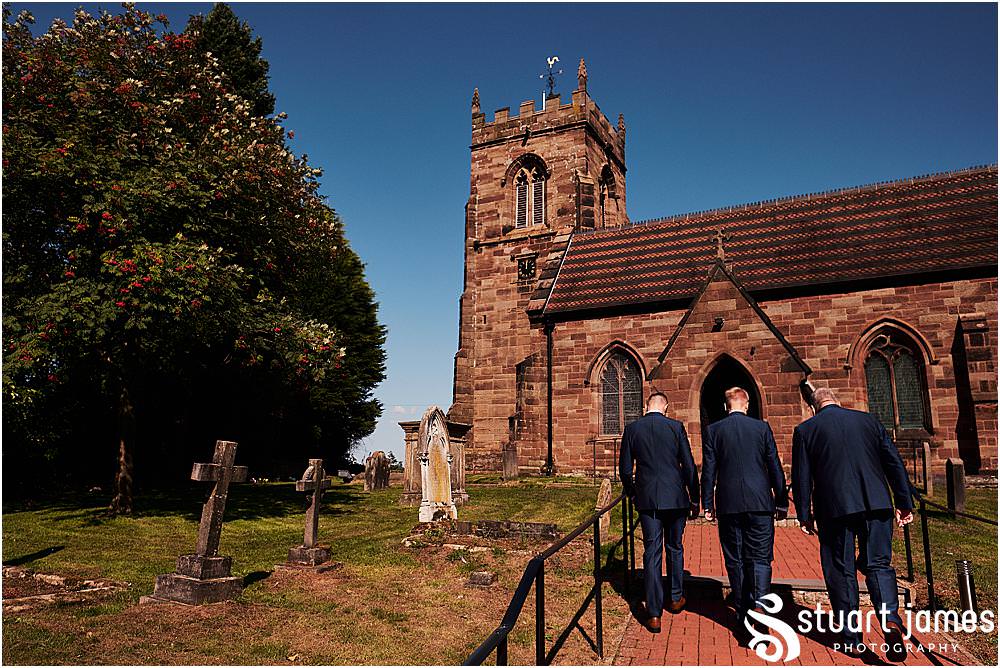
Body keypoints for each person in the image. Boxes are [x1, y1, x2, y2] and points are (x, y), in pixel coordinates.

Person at [792, 387, 914, 662]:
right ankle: (890, 620)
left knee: (840, 570)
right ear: (837, 400)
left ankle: (852, 638)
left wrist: (803, 514)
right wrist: (904, 500)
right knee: (878, 564)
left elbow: (802, 477)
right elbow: (893, 460)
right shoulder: (868, 420)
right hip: (877, 502)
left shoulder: (806, 430)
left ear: (813, 407)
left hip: (834, 509)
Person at [701, 387, 788, 629]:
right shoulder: (761, 428)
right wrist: (781, 500)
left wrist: (707, 502)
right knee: (760, 557)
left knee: (735, 559)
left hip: (728, 504)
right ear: (746, 405)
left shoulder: (713, 431)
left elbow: (709, 470)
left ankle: (742, 613)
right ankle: (760, 603)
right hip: (760, 502)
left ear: (725, 405)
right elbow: (774, 466)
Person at [619, 392, 699, 633]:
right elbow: (688, 464)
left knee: (652, 551)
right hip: (675, 498)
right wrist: (694, 497)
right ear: (666, 408)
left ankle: (653, 613)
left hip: (648, 500)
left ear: (646, 406)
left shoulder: (633, 429)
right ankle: (675, 597)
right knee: (675, 547)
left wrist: (633, 492)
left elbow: (624, 469)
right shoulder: (676, 427)